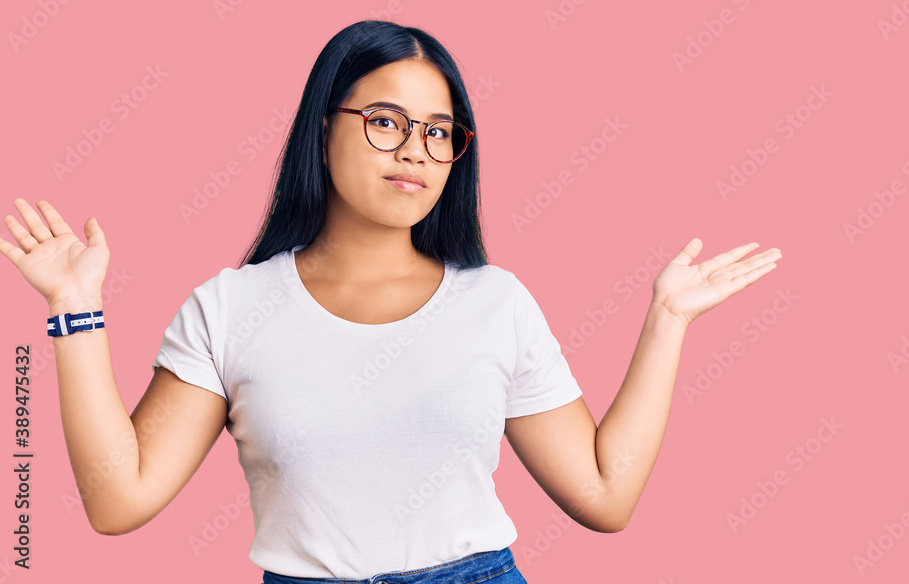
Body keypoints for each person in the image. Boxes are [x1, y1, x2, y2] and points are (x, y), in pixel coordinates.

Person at [0, 19, 781, 584]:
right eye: (385, 122)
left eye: (441, 132)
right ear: (322, 126)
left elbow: (605, 496)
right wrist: (76, 307)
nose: (416, 149)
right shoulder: (230, 308)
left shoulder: (496, 302)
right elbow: (117, 499)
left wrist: (668, 320)